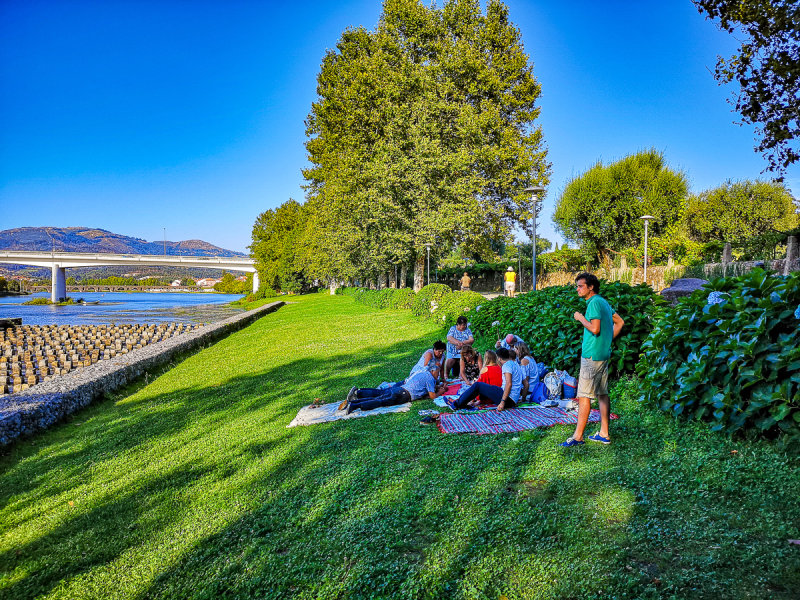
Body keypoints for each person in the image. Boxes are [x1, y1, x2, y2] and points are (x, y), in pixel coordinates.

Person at [560, 272, 625, 447]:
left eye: (580, 286)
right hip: (602, 354)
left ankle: (578, 437)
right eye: (577, 286)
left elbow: (595, 329)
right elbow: (620, 322)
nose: (577, 289)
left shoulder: (594, 303)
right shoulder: (603, 302)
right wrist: (607, 340)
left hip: (591, 356)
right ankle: (604, 433)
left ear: (591, 287)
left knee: (583, 396)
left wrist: (581, 318)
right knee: (602, 394)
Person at [341, 365, 447, 414]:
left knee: (379, 397)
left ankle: (354, 402)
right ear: (433, 371)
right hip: (404, 395)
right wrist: (441, 391)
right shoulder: (430, 378)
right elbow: (432, 396)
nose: (437, 376)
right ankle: (355, 405)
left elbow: (425, 388)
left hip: (400, 389)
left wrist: (437, 387)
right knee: (380, 401)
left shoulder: (423, 374)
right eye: (437, 373)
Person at [452, 348, 527, 411]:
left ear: (499, 358)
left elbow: (509, 384)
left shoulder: (506, 366)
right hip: (512, 399)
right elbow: (526, 384)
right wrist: (522, 399)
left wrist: (502, 402)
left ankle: (457, 404)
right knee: (486, 387)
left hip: (508, 399)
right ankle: (466, 401)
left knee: (478, 385)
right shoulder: (516, 364)